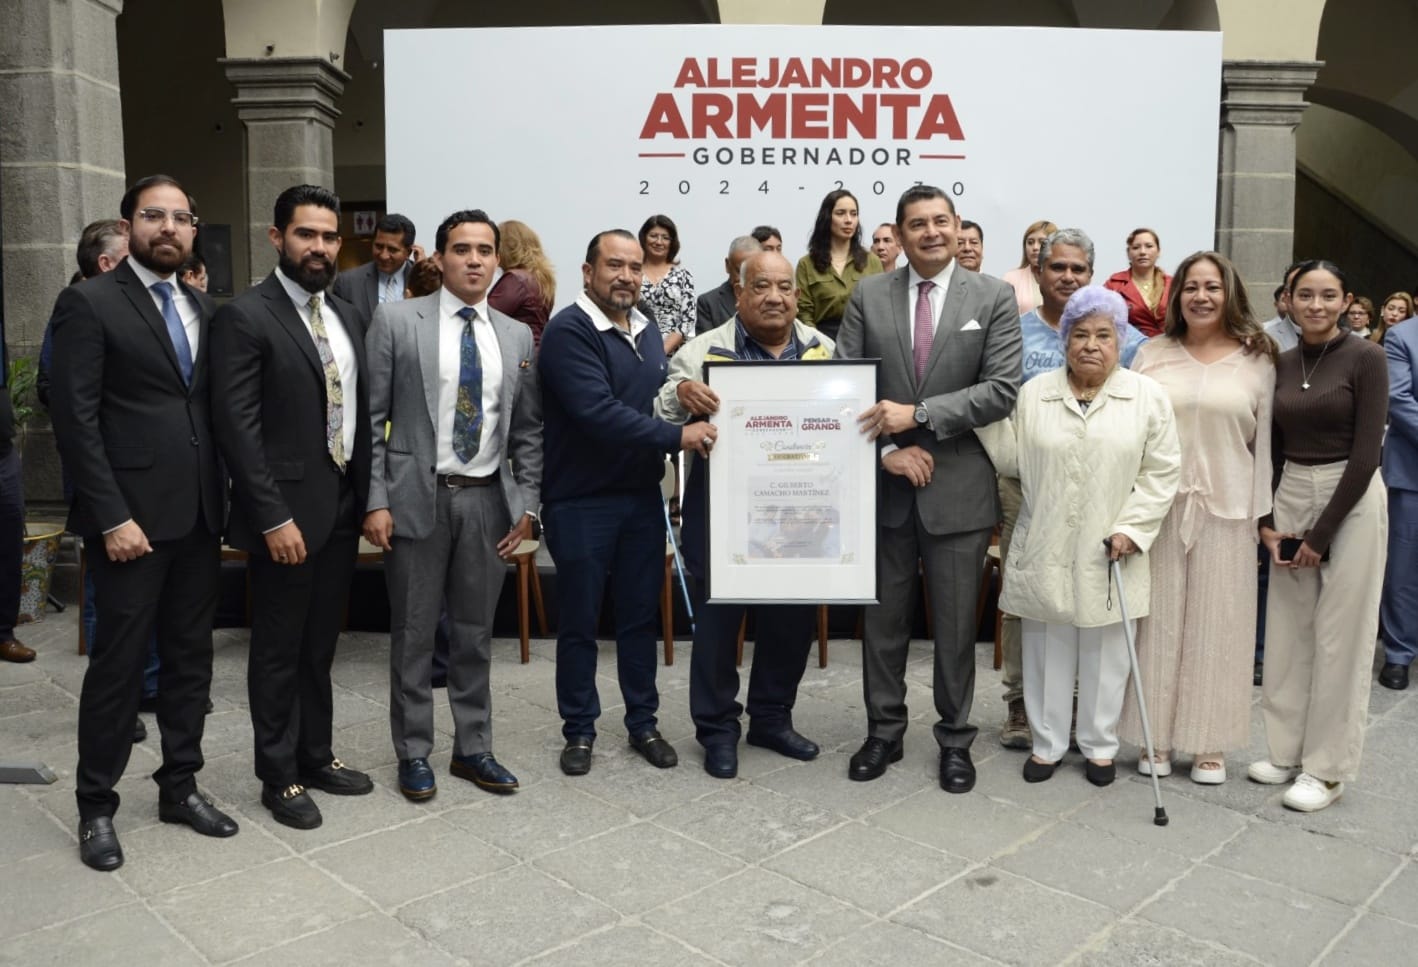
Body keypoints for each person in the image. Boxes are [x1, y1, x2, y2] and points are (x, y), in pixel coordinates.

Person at [51, 174, 233, 871]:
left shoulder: (204, 308)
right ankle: (96, 805)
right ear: (127, 227)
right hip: (128, 526)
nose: (168, 228)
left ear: (193, 229)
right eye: (152, 216)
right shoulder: (89, 304)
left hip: (196, 519)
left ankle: (179, 785)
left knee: (191, 661)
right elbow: (76, 422)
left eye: (180, 217)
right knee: (119, 668)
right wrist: (111, 515)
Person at [834, 185, 1021, 793]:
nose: (931, 232)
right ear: (900, 232)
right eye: (918, 224)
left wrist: (915, 416)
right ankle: (883, 731)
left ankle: (955, 738)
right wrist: (888, 450)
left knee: (954, 628)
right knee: (882, 624)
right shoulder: (868, 293)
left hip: (959, 488)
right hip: (885, 487)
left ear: (958, 224)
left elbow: (1001, 390)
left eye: (942, 221)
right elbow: (846, 386)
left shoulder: (992, 297)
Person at [364, 209, 542, 800]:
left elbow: (528, 432)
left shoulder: (515, 336)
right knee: (414, 633)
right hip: (418, 498)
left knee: (473, 633)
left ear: (498, 260)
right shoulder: (395, 322)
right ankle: (414, 751)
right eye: (461, 249)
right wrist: (376, 500)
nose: (473, 259)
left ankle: (473, 749)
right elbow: (371, 421)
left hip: (487, 501)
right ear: (439, 258)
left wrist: (529, 503)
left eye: (484, 250)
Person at [211, 184, 374, 830]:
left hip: (338, 507)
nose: (320, 247)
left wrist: (364, 500)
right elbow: (238, 428)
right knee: (278, 648)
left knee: (319, 645)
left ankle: (317, 753)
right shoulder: (245, 316)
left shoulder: (348, 315)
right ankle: (278, 775)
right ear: (278, 237)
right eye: (307, 234)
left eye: (330, 236)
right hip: (283, 515)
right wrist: (273, 516)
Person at [538, 229, 716, 776]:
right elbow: (597, 412)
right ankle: (580, 731)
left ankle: (643, 723)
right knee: (580, 623)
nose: (627, 276)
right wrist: (676, 437)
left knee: (640, 620)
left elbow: (649, 399)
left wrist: (681, 395)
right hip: (581, 503)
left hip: (641, 499)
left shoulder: (647, 328)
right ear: (587, 272)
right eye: (614, 265)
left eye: (636, 267)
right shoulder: (569, 330)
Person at [991, 285, 1180, 785]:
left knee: (1107, 649)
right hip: (1046, 539)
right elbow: (1011, 461)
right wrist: (978, 410)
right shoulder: (1035, 394)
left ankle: (1099, 746)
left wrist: (1132, 529)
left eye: (1103, 334)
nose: (1090, 345)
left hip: (1112, 546)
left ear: (1120, 340)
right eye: (1079, 334)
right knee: (1046, 646)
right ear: (1064, 340)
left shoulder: (1146, 397)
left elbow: (1162, 472)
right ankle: (1047, 744)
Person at [657, 250, 832, 778]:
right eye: (761, 286)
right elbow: (661, 408)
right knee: (717, 629)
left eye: (784, 286)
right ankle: (716, 730)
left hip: (798, 515)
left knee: (790, 623)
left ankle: (772, 718)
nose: (774, 297)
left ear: (796, 295)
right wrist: (682, 392)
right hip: (723, 515)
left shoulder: (823, 349)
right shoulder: (704, 350)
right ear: (739, 292)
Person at [1119, 252, 1277, 784]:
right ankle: (1154, 736)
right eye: (1191, 287)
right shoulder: (1151, 355)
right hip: (1158, 508)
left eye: (1212, 287)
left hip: (1228, 507)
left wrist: (1262, 518)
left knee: (1220, 625)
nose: (1202, 296)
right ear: (1175, 295)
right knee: (1156, 624)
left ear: (1230, 294)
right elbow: (1129, 435)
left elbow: (1266, 445)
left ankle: (1208, 741)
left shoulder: (1259, 360)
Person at [995, 228, 1149, 750]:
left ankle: (1094, 730)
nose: (1091, 344)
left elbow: (1157, 456)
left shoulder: (1135, 360)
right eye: (1056, 267)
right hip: (1033, 490)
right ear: (1037, 272)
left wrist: (1132, 522)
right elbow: (1001, 426)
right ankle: (1032, 715)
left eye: (1077, 269)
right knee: (1039, 609)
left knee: (1099, 615)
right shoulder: (1013, 334)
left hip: (1109, 496)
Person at [1250, 260, 1388, 812]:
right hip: (1291, 490)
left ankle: (1326, 769)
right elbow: (1273, 446)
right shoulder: (1278, 363)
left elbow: (1367, 451)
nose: (1315, 305)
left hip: (1349, 494)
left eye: (1327, 296)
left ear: (1346, 301)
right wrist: (1268, 520)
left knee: (1341, 634)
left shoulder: (1367, 358)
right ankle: (1285, 751)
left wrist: (1322, 532)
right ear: (1286, 299)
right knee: (1288, 627)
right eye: (1304, 295)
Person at [1381, 295, 1418, 691]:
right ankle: (1399, 653)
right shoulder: (1402, 336)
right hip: (1412, 472)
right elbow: (1400, 398)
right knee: (1404, 571)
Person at [796, 188, 883, 342]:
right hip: (820, 341)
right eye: (840, 213)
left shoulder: (872, 261)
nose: (848, 220)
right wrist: (819, 343)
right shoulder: (806, 264)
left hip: (864, 340)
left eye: (854, 214)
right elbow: (804, 313)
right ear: (827, 217)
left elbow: (880, 309)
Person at [331, 213, 417, 325]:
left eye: (392, 249)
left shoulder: (422, 281)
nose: (383, 255)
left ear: (408, 252)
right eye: (379, 246)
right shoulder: (347, 283)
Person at [488, 218, 556, 349]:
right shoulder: (541, 280)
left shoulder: (516, 280)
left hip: (517, 355)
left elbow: (486, 318)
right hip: (535, 353)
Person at [638, 214, 695, 355]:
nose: (659, 242)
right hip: (637, 351)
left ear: (672, 242)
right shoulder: (633, 273)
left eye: (665, 237)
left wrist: (661, 353)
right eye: (653, 236)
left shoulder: (683, 276)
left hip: (676, 355)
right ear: (644, 238)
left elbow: (687, 319)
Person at [1104, 228, 1171, 337]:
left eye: (1149, 246)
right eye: (1136, 247)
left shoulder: (1173, 284)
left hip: (1169, 347)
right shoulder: (1114, 285)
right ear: (1128, 253)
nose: (1143, 252)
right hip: (1132, 349)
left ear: (1158, 251)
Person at [694, 235, 760, 336]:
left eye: (751, 272)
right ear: (727, 265)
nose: (745, 279)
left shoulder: (771, 300)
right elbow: (705, 346)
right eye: (739, 271)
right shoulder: (709, 302)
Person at [1000, 220, 1055, 316]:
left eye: (1042, 242)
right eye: (1030, 242)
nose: (1035, 247)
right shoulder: (1011, 279)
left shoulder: (1064, 278)